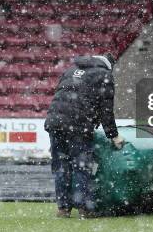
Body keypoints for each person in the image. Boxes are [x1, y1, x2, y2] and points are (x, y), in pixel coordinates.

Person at [44, 53, 125, 218]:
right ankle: (84, 208)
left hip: (55, 122)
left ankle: (63, 208)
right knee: (82, 167)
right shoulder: (104, 75)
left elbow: (61, 96)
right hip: (77, 125)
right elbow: (106, 109)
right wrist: (114, 135)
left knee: (61, 167)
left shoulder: (71, 69)